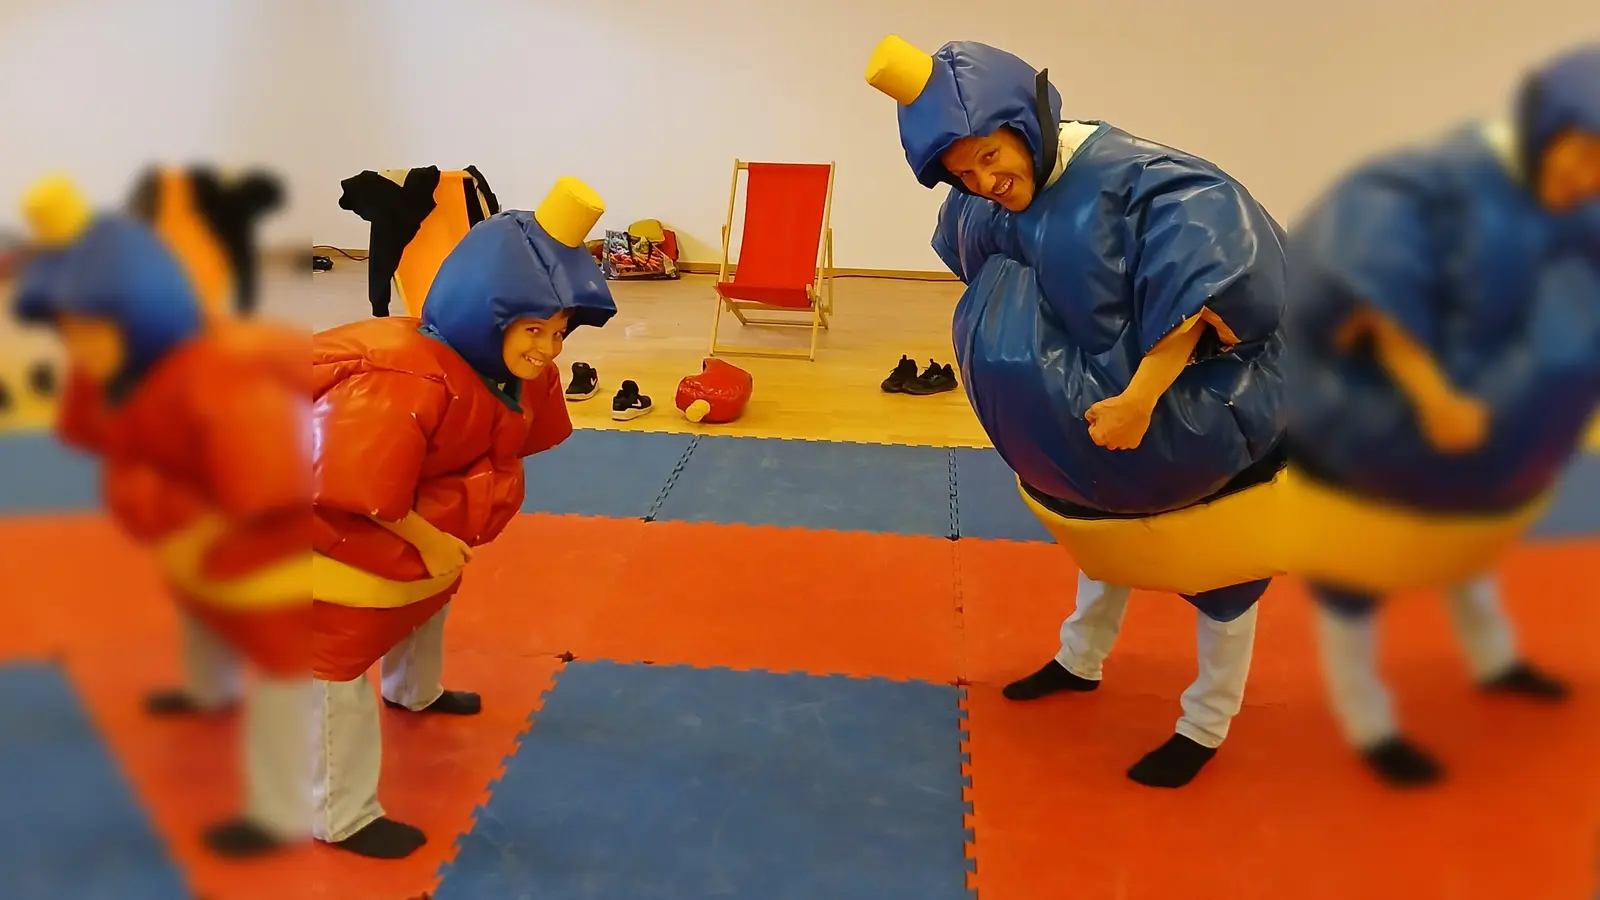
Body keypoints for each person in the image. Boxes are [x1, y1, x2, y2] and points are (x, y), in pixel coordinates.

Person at [865, 36, 1289, 788]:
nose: (986, 181)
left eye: (993, 157)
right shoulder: (981, 203)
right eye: (963, 173)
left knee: (1224, 577)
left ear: (1026, 123)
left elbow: (1210, 286)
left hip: (1188, 427)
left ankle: (1206, 721)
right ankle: (1080, 660)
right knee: (1102, 550)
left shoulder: (1141, 181)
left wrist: (1137, 401)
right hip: (1085, 457)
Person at [1286, 44, 1600, 786]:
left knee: (1472, 550)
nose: (1586, 179)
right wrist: (1431, 397)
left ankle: (1495, 662)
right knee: (1350, 573)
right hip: (1377, 423)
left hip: (1487, 438)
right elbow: (1369, 274)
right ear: (1545, 128)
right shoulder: (1440, 182)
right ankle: (1368, 723)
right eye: (1581, 155)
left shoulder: (1569, 206)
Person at [310, 176, 617, 858]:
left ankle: (414, 690)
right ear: (486, 313)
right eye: (535, 330)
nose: (551, 348)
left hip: (418, 533)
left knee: (426, 602)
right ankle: (340, 813)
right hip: (331, 538)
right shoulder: (407, 378)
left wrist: (442, 538)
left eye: (560, 331)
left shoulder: (505, 371)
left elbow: (514, 437)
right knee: (333, 667)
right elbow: (352, 485)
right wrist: (429, 539)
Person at [12, 175, 311, 856]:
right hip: (193, 526)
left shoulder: (224, 376)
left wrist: (197, 536)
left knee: (284, 667)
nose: (78, 347)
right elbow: (101, 438)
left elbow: (269, 488)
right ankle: (210, 690)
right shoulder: (113, 373)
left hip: (273, 544)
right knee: (196, 606)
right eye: (68, 331)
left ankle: (281, 811)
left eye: (91, 330)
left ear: (140, 313)